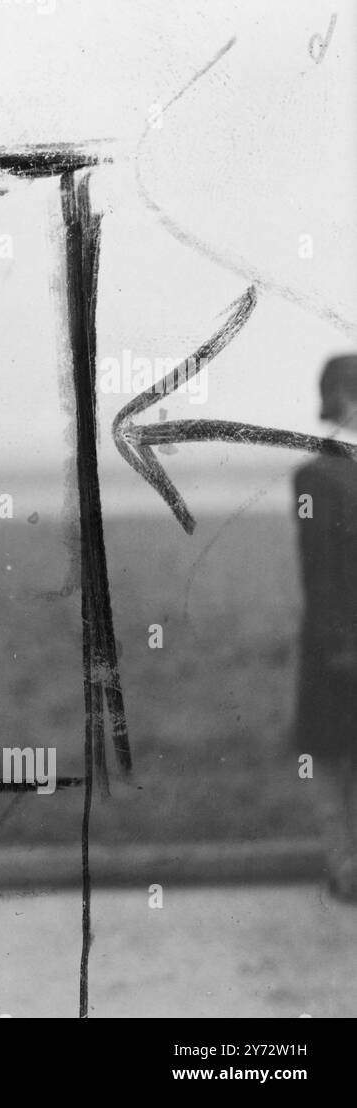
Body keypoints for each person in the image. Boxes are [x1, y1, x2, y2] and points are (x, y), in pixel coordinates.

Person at [292, 353, 357, 903]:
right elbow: (322, 574)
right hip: (339, 646)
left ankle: (347, 866)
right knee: (333, 760)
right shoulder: (317, 476)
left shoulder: (319, 473)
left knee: (336, 761)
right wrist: (340, 646)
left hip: (339, 645)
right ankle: (347, 868)